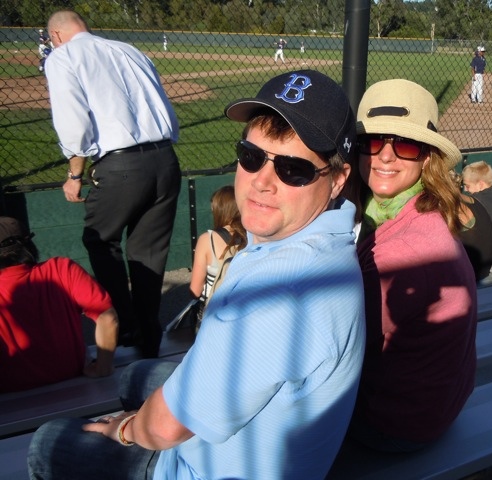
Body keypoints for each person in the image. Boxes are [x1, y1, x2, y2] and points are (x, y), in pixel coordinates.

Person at [28, 69, 366, 480]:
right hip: (275, 442)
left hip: (202, 470)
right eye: (251, 156)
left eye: (293, 169)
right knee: (135, 375)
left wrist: (125, 429)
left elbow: (163, 429)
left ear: (338, 180)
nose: (262, 182)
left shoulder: (284, 287)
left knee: (48, 441)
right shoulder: (327, 238)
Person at [350, 79, 477, 452]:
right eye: (373, 141)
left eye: (404, 144)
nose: (385, 156)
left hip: (396, 422)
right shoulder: (416, 210)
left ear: (427, 158)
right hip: (435, 403)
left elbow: (330, 349)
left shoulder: (402, 251)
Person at [44, 10, 181, 358]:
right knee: (149, 251)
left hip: (121, 165)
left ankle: (124, 323)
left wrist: (75, 175)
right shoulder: (128, 49)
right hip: (165, 160)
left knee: (100, 239)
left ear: (56, 36)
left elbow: (74, 124)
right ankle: (148, 335)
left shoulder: (63, 56)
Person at [0, 216, 118, 393]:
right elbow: (108, 318)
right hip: (74, 380)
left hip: (10, 392)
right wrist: (103, 368)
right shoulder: (63, 268)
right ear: (28, 245)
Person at [189, 185, 247, 305]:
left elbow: (196, 290)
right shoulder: (253, 236)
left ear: (220, 210)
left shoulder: (207, 239)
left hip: (214, 307)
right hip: (244, 304)